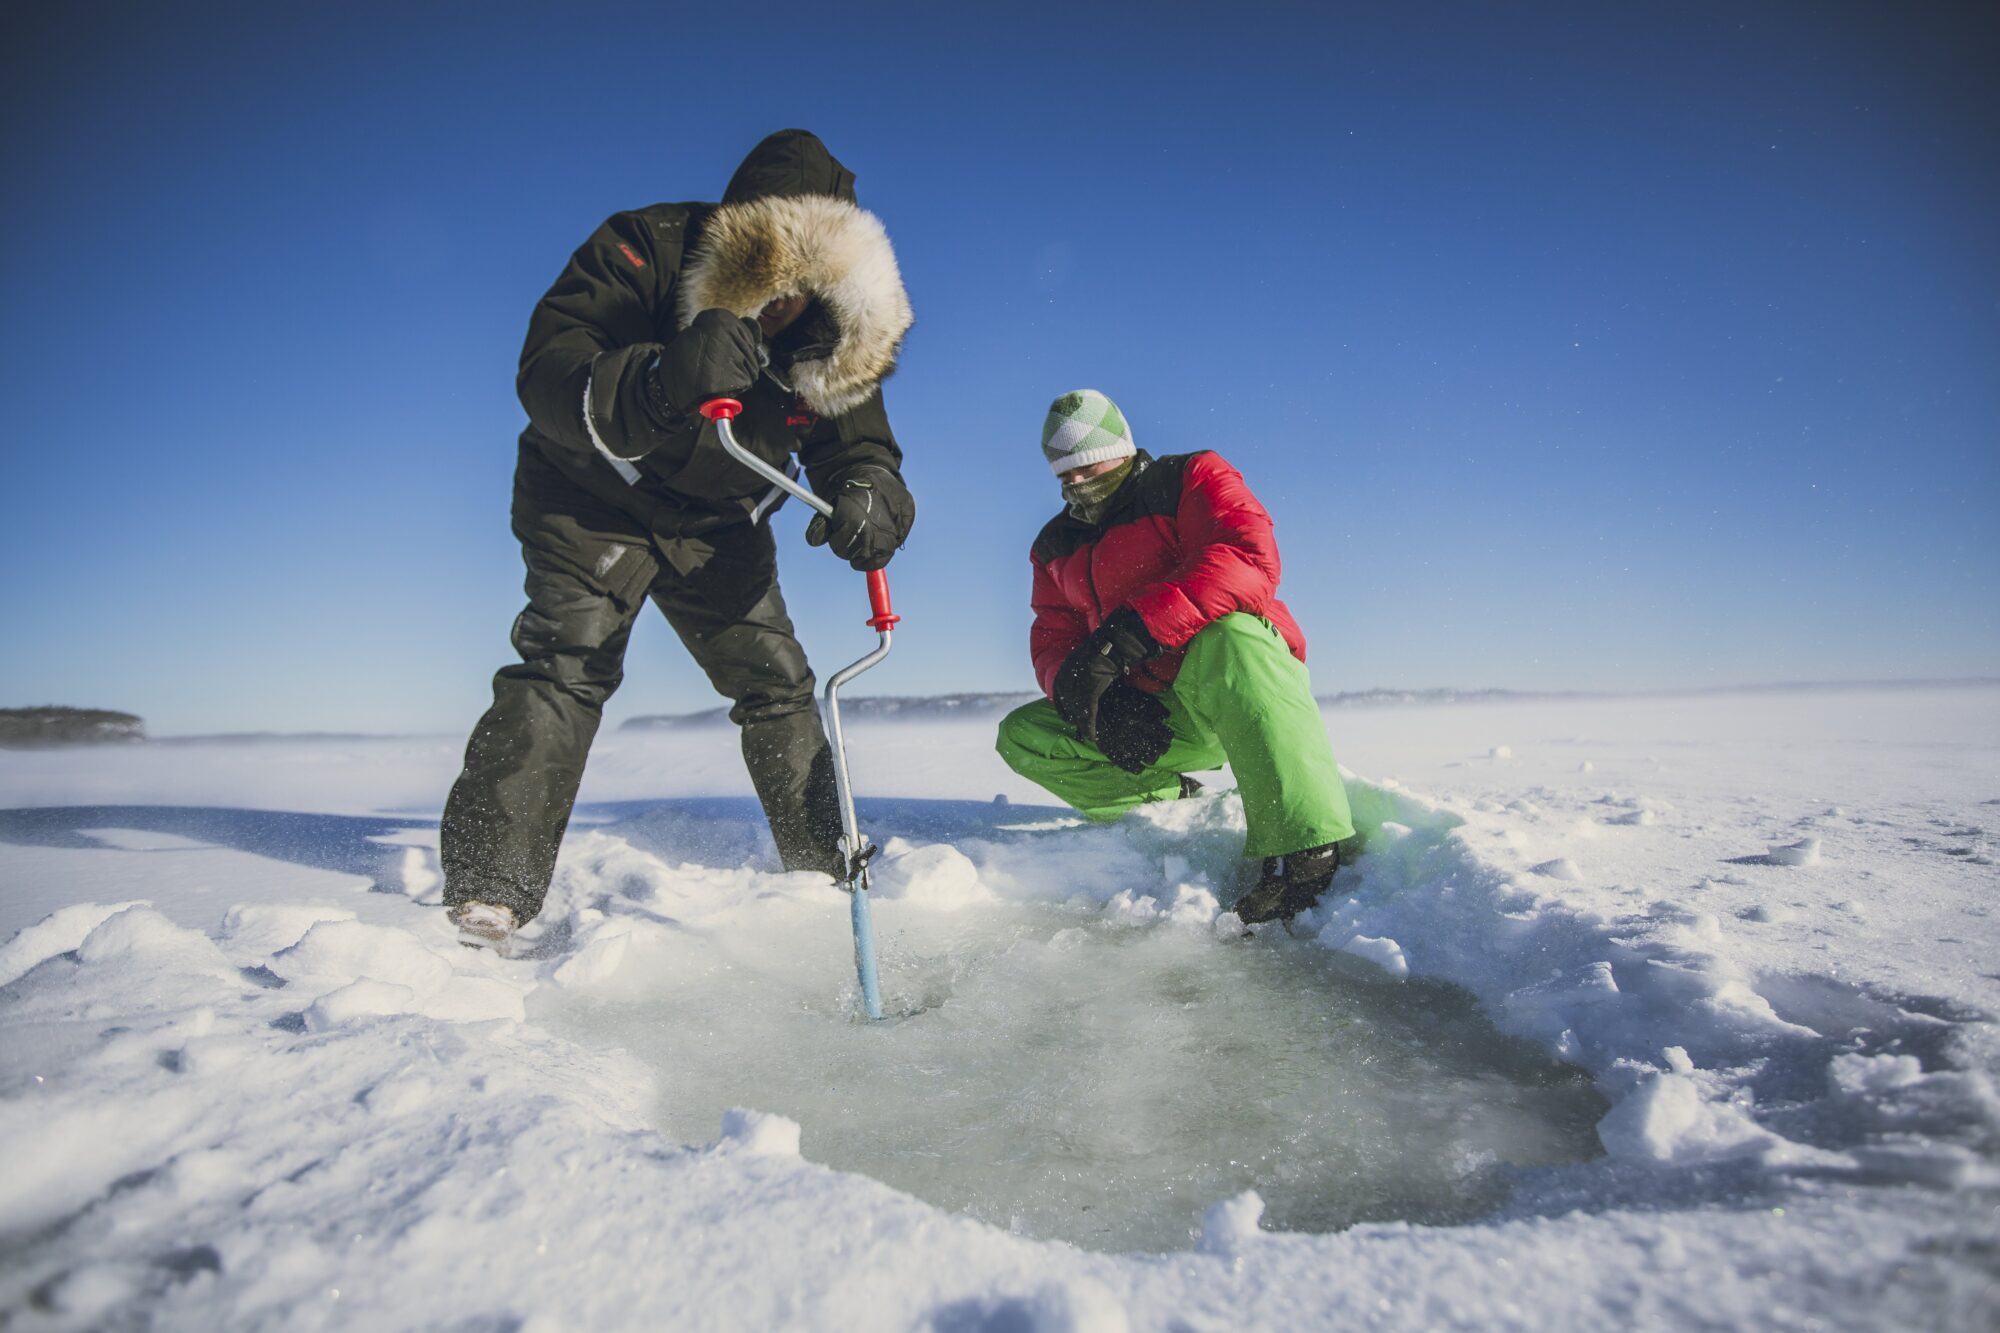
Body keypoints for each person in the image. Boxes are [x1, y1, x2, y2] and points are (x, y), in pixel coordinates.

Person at [441, 130, 916, 943]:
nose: (782, 308)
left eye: (804, 288)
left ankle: (825, 863)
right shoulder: (646, 247)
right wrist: (663, 378)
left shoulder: (831, 332)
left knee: (776, 684)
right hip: (591, 495)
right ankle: (490, 889)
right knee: (568, 663)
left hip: (717, 523)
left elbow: (858, 443)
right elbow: (547, 371)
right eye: (771, 282)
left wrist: (874, 493)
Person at [995, 390, 1354, 924]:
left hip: (1234, 687)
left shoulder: (1190, 478)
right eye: (1062, 473)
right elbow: (1053, 634)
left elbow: (1244, 557)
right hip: (1157, 716)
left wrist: (1131, 632)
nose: (1075, 482)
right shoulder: (1054, 544)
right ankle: (1169, 806)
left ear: (1121, 448)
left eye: (1087, 465)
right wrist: (1092, 694)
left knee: (1233, 635)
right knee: (1025, 734)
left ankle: (1307, 851)